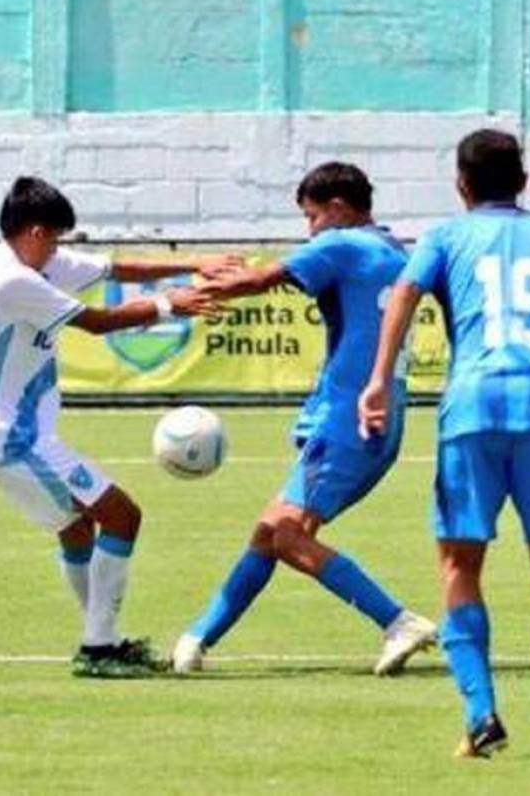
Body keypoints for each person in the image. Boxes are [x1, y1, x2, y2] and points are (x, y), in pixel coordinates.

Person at [359, 130, 530, 759]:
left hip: (473, 408)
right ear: (524, 182)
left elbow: (404, 294)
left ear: (461, 184)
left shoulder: (446, 236)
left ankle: (481, 718)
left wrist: (380, 379)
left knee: (459, 566)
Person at [171, 162, 437, 677]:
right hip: (375, 417)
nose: (310, 229)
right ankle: (196, 639)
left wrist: (196, 286)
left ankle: (398, 620)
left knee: (288, 538)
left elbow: (262, 279)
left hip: (347, 419)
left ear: (338, 208)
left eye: (312, 216)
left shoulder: (344, 244)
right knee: (270, 531)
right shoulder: (391, 251)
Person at [0, 176, 227, 677]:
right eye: (57, 237)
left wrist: (193, 264)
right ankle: (100, 648)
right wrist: (173, 304)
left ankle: (99, 638)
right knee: (123, 516)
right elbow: (99, 321)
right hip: (15, 438)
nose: (59, 249)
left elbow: (112, 266)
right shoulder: (12, 279)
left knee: (78, 529)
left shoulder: (27, 258)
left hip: (10, 436)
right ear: (36, 231)